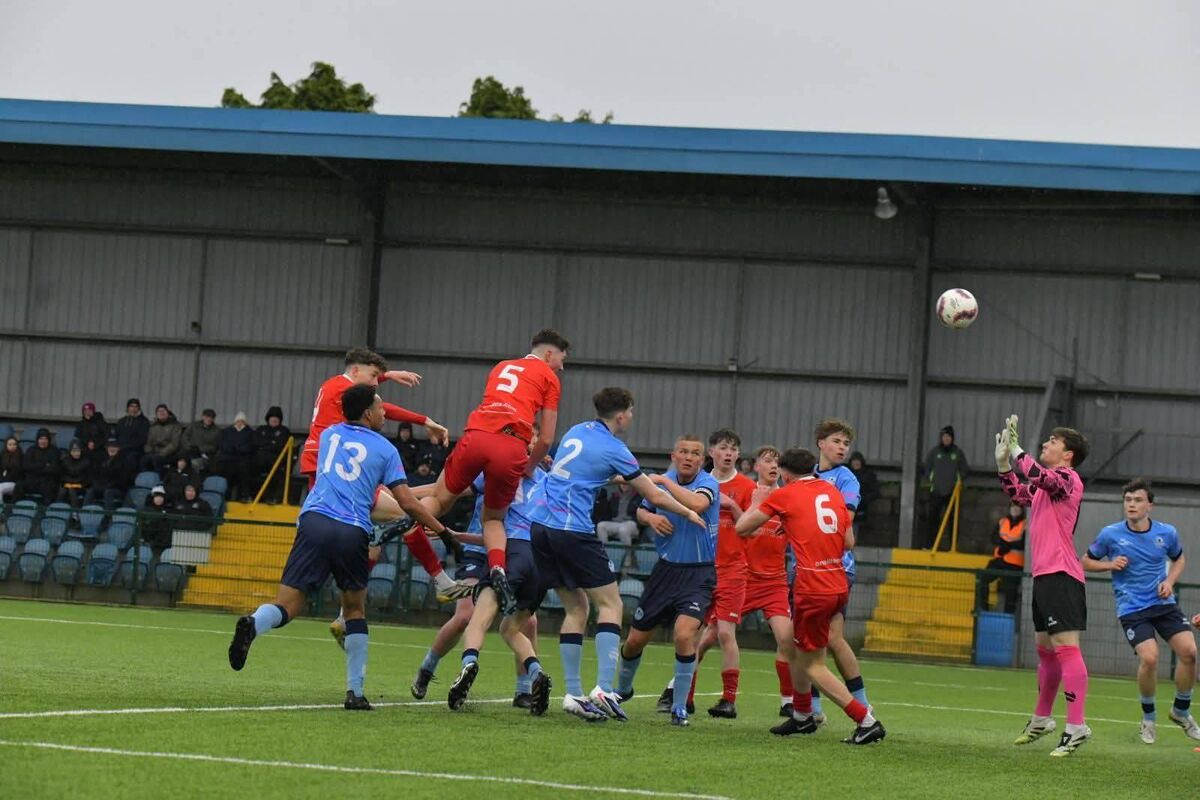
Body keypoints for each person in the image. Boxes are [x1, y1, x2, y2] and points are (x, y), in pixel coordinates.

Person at [228, 384, 461, 710]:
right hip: (351, 529)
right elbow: (406, 502)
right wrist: (444, 533)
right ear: (367, 413)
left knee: (288, 606)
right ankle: (355, 692)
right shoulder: (386, 449)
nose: (384, 413)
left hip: (313, 521)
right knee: (353, 610)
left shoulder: (329, 436)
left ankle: (254, 623)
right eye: (380, 408)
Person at [527, 387, 704, 723]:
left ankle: (575, 694)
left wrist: (631, 476)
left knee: (576, 607)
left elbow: (592, 469)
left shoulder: (578, 430)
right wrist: (689, 513)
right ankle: (604, 688)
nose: (632, 417)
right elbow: (657, 497)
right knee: (611, 604)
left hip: (540, 524)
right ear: (621, 414)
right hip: (571, 529)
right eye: (631, 412)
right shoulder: (616, 448)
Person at [410, 329, 569, 614]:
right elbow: (545, 439)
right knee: (493, 519)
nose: (561, 366)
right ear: (549, 354)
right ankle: (497, 568)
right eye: (561, 359)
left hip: (476, 436)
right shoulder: (549, 377)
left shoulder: (501, 366)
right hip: (510, 447)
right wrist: (527, 468)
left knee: (441, 496)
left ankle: (408, 524)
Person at [734, 447, 886, 745]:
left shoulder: (785, 493)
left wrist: (758, 502)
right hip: (838, 582)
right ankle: (803, 717)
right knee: (791, 644)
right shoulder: (831, 492)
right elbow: (848, 541)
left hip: (812, 587)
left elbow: (742, 528)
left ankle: (865, 719)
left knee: (812, 663)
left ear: (786, 474)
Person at [299, 348, 461, 602]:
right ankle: (441, 581)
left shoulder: (332, 384)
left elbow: (365, 387)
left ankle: (345, 614)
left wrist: (387, 375)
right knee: (405, 514)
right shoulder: (346, 393)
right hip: (333, 475)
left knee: (375, 545)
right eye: (373, 376)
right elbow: (381, 407)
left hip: (326, 468)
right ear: (355, 371)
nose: (376, 383)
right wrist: (425, 420)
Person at [412, 435, 542, 709]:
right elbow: (448, 489)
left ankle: (524, 690)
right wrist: (408, 494)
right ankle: (427, 668)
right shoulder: (499, 467)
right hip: (479, 546)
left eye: (535, 437)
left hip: (512, 552)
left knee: (528, 622)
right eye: (527, 436)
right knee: (466, 615)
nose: (531, 442)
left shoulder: (543, 477)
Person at [998, 415, 1092, 757]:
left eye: (1052, 442)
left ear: (1067, 454)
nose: (1046, 445)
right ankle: (1041, 719)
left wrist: (1018, 451)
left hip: (1062, 575)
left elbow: (1037, 474)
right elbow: (1019, 492)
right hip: (1044, 575)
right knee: (1045, 651)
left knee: (1066, 649)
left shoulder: (1068, 479)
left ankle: (1077, 726)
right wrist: (1003, 465)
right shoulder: (1045, 484)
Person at [1081, 478, 1198, 744]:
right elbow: (1085, 561)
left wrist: (1169, 582)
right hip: (1132, 608)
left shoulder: (1166, 533)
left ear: (1150, 506)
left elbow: (1179, 558)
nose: (1132, 505)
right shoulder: (1110, 534)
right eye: (1128, 500)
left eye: (1138, 500)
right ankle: (1148, 718)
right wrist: (1110, 565)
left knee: (1189, 652)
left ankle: (1181, 711)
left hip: (1163, 604)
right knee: (1150, 658)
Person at [614, 434, 719, 728]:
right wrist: (649, 519)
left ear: (702, 460)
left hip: (699, 573)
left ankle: (679, 706)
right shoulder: (663, 480)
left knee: (684, 635)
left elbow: (697, 504)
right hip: (666, 571)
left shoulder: (708, 483)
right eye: (683, 452)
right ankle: (623, 689)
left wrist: (664, 484)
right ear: (673, 455)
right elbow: (641, 507)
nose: (688, 457)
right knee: (635, 640)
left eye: (694, 453)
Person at [658, 428, 755, 719]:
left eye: (734, 448)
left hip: (733, 569)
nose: (728, 453)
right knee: (693, 634)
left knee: (725, 633)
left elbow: (752, 528)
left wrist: (734, 506)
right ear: (710, 453)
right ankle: (684, 698)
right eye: (723, 447)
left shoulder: (747, 487)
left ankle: (728, 699)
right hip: (700, 568)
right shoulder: (699, 482)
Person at [809, 418, 870, 724]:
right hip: (807, 567)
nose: (842, 447)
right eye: (836, 441)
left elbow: (844, 525)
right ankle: (812, 708)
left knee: (830, 639)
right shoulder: (808, 476)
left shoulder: (846, 479)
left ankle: (860, 705)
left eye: (846, 443)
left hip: (834, 568)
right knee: (810, 640)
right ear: (821, 443)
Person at [923, 425, 968, 549]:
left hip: (953, 493)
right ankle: (929, 545)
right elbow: (927, 468)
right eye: (944, 436)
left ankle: (952, 547)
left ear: (952, 438)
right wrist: (931, 479)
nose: (946, 439)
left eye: (948, 436)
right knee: (932, 519)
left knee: (953, 521)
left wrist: (958, 480)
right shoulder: (934, 452)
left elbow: (964, 470)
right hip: (936, 491)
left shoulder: (958, 453)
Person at [981, 503, 1026, 614]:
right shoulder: (1003, 521)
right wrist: (1004, 544)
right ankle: (983, 608)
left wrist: (1006, 545)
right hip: (999, 560)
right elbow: (993, 537)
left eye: (1018, 507)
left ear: (1022, 510)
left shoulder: (1025, 524)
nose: (1015, 509)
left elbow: (1023, 543)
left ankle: (1008, 618)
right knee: (982, 579)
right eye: (1013, 507)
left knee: (1010, 593)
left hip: (1015, 564)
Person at [214, 412, 256, 501]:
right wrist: (232, 449)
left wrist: (238, 449)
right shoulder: (227, 431)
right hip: (228, 458)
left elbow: (250, 446)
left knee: (244, 473)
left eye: (242, 421)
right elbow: (223, 444)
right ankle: (226, 496)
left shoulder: (250, 432)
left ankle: (243, 496)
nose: (240, 423)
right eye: (238, 421)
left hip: (243, 459)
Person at [253, 406, 291, 504]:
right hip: (259, 461)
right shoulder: (261, 429)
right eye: (272, 417)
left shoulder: (284, 431)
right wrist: (271, 443)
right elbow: (256, 442)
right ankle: (252, 496)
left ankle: (271, 498)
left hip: (276, 461)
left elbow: (280, 446)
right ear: (268, 418)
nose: (274, 419)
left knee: (277, 474)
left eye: (277, 417)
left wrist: (266, 445)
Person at [85, 438, 133, 509]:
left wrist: (108, 486)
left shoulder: (123, 461)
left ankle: (108, 516)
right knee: (90, 491)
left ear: (118, 448)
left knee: (108, 492)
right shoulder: (101, 459)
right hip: (100, 487)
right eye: (110, 447)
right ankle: (83, 513)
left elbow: (123, 479)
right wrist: (97, 484)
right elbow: (94, 474)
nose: (112, 449)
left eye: (114, 447)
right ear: (107, 448)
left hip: (116, 489)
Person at [595, 482, 641, 547]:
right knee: (600, 526)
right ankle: (604, 553)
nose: (624, 485)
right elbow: (608, 513)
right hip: (616, 523)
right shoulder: (614, 496)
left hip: (631, 523)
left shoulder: (638, 497)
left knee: (623, 530)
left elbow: (641, 514)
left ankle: (628, 556)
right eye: (622, 483)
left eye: (626, 483)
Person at [20, 428, 60, 502]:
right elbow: (26, 466)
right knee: (18, 486)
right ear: (37, 440)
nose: (43, 441)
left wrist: (34, 468)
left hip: (47, 481)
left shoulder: (54, 451)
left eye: (45, 439)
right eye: (41, 439)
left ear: (49, 440)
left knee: (48, 488)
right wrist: (43, 464)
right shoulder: (31, 450)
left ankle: (46, 511)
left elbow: (54, 469)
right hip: (32, 480)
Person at [847, 452, 880, 537]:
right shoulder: (846, 474)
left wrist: (863, 499)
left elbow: (876, 492)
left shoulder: (868, 475)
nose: (856, 463)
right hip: (845, 509)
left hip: (860, 510)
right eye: (854, 461)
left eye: (858, 461)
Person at [143, 404, 183, 471]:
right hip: (154, 453)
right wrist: (149, 452)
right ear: (156, 414)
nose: (161, 413)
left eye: (163, 411)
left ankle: (160, 479)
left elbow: (174, 444)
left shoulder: (176, 426)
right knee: (144, 460)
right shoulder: (153, 427)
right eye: (159, 411)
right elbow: (148, 442)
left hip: (169, 453)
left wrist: (161, 454)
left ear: (168, 413)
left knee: (156, 460)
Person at [114, 399, 150, 471]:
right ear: (128, 408)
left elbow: (142, 439)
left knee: (130, 459)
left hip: (135, 450)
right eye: (131, 406)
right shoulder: (122, 421)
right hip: (121, 448)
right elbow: (116, 435)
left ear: (139, 408)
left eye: (136, 406)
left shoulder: (143, 421)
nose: (133, 409)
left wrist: (127, 446)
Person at [57, 440, 91, 507]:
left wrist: (72, 484)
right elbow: (62, 475)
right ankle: (57, 510)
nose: (76, 453)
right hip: (67, 483)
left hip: (81, 485)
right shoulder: (65, 460)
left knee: (71, 490)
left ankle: (74, 513)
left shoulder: (86, 461)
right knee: (62, 491)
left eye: (78, 451)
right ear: (70, 451)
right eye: (74, 451)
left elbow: (83, 476)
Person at [141, 485, 174, 553]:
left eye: (161, 497)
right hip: (149, 543)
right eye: (157, 497)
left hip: (164, 544)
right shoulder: (145, 511)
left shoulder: (168, 511)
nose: (159, 499)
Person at [0, 436, 23, 502]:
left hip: (15, 484)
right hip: (2, 482)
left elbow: (20, 474)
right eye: (10, 444)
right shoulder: (2, 455)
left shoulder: (20, 456)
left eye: (14, 444)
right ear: (6, 445)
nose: (12, 446)